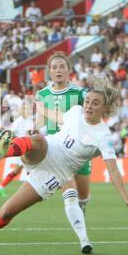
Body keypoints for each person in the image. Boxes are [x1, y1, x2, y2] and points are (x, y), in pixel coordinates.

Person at [0, 78, 128, 253]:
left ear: (104, 108)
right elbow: (50, 113)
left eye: (95, 103)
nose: (88, 106)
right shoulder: (74, 112)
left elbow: (113, 170)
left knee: (7, 211)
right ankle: (7, 150)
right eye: (87, 101)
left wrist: (126, 198)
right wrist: (38, 105)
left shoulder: (103, 136)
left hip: (56, 174)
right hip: (47, 150)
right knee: (37, 138)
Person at [36, 52, 91, 216]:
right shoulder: (43, 94)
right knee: (70, 194)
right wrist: (34, 128)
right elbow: (41, 119)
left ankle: (82, 208)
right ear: (50, 71)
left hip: (79, 148)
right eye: (54, 67)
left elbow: (91, 116)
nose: (58, 70)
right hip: (57, 150)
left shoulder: (81, 93)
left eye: (62, 67)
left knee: (83, 196)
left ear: (69, 70)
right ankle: (82, 238)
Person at [0, 100, 37, 198]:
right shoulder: (18, 122)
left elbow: (31, 134)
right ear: (22, 110)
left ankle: (1, 187)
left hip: (28, 149)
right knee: (30, 170)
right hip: (22, 150)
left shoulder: (30, 121)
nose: (28, 110)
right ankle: (28, 193)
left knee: (17, 171)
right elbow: (11, 134)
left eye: (29, 109)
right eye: (26, 108)